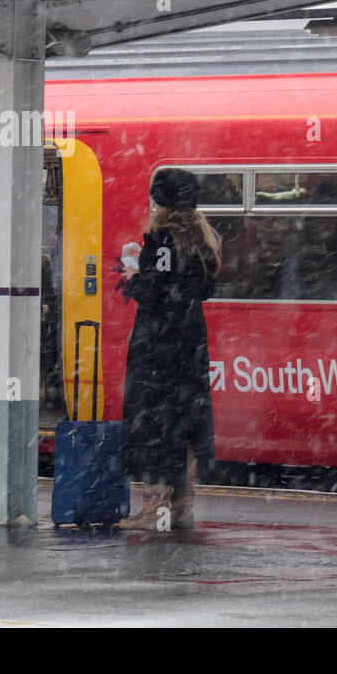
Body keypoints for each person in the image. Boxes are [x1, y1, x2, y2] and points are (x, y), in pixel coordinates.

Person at [118, 169, 221, 530]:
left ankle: (153, 512)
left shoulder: (162, 240)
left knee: (155, 425)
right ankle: (180, 511)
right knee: (185, 426)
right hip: (190, 341)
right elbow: (203, 290)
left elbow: (157, 291)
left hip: (158, 344)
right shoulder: (204, 240)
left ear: (160, 202)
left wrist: (132, 276)